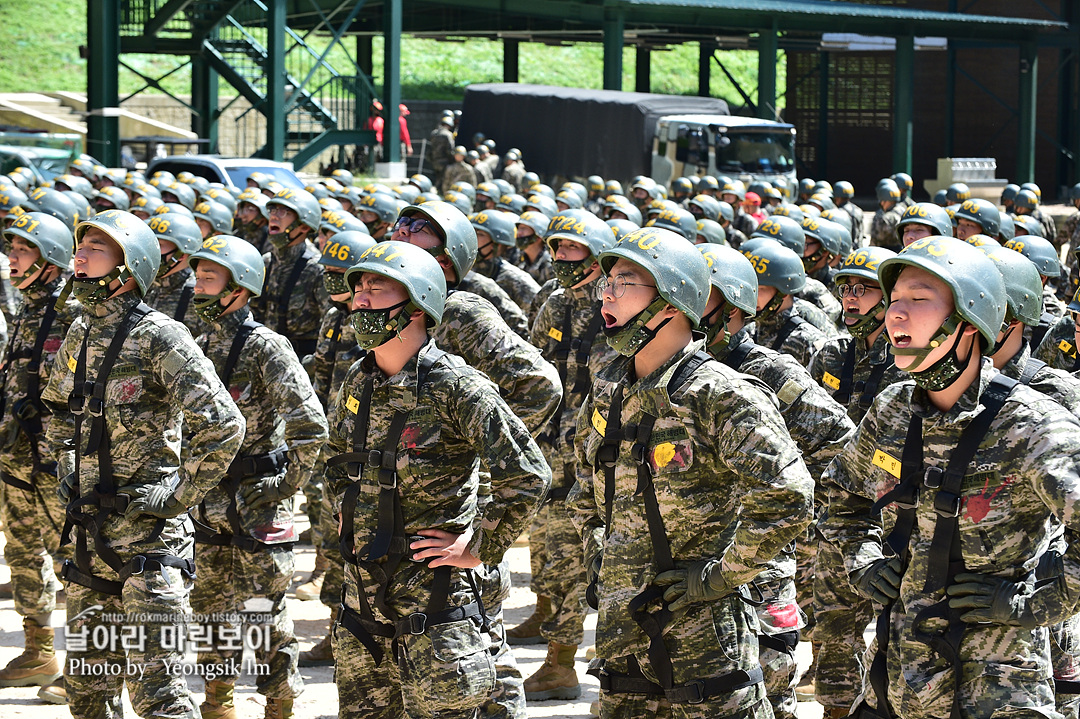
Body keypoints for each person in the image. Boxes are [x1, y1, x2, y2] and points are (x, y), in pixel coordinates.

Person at [818, 235, 1080, 719]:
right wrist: (863, 559)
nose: (896, 313)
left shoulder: (1033, 425)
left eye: (918, 300)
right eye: (895, 300)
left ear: (968, 320)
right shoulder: (895, 409)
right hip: (898, 681)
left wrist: (1031, 604)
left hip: (995, 691)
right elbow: (838, 494)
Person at [569, 226, 813, 718]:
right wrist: (600, 546)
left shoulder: (721, 394)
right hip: (623, 631)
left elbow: (788, 497)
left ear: (670, 300)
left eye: (624, 283)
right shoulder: (611, 388)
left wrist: (724, 575)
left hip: (705, 633)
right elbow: (583, 488)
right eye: (606, 283)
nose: (606, 294)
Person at [327, 240, 550, 719]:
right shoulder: (357, 380)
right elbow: (336, 457)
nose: (361, 299)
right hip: (363, 596)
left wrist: (481, 544)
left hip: (435, 598)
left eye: (377, 288)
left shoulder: (457, 386)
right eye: (359, 289)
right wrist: (343, 507)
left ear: (416, 303)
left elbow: (528, 473)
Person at [42, 210, 245, 719]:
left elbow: (223, 422)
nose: (80, 257)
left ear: (128, 268)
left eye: (96, 250)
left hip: (150, 547)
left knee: (160, 695)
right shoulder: (80, 334)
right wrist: (68, 468)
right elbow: (56, 412)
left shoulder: (161, 336)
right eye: (80, 247)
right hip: (91, 537)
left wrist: (178, 496)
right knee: (87, 693)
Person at [697, 243, 854, 719]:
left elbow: (843, 445)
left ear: (733, 308)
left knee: (769, 682)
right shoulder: (664, 369)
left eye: (701, 296)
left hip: (758, 561)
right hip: (690, 558)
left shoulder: (769, 371)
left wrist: (797, 522)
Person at [187, 234, 327, 719]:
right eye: (197, 275)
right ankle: (217, 704)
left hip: (260, 501)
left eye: (209, 277)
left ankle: (279, 705)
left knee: (263, 614)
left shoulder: (267, 346)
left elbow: (311, 427)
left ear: (240, 287)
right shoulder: (192, 341)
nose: (197, 285)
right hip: (206, 502)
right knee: (208, 611)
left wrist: (285, 487)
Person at [516, 209, 617, 701]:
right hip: (551, 445)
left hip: (596, 452)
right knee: (550, 544)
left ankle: (563, 661)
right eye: (556, 248)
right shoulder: (552, 301)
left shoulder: (618, 306)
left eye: (572, 249)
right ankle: (553, 636)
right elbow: (534, 368)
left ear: (597, 256)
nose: (560, 258)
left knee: (583, 555)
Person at [0, 213, 80, 699]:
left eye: (23, 250)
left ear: (48, 261)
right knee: (22, 554)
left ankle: (90, 671)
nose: (12, 258)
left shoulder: (74, 314)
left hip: (55, 463)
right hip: (16, 458)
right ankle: (39, 651)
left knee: (76, 565)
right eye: (11, 249)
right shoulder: (28, 308)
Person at [254, 187, 325, 360]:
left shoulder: (317, 269)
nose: (274, 216)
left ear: (302, 225)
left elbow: (330, 326)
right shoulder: (266, 262)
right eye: (273, 210)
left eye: (284, 211)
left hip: (300, 359)